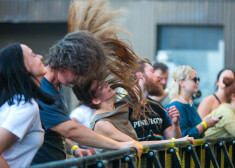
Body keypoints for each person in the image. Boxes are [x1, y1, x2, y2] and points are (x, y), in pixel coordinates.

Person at [32, 31, 143, 165]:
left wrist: (74, 149)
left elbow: (52, 130)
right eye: (79, 72)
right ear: (65, 63)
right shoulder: (42, 90)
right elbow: (70, 130)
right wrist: (118, 145)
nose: (80, 79)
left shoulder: (56, 87)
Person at [72, 80, 194, 154]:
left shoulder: (119, 108)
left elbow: (140, 96)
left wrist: (175, 124)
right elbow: (135, 143)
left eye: (103, 83)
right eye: (100, 87)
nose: (106, 84)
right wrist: (176, 142)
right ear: (95, 100)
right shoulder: (101, 123)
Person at [0, 43, 54, 167]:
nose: (40, 57)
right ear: (23, 68)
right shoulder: (25, 106)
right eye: (33, 55)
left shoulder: (16, 101)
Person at [128, 59, 181, 141]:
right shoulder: (124, 107)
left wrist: (175, 124)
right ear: (140, 74)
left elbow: (173, 139)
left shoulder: (157, 106)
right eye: (152, 71)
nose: (158, 76)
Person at [165, 65, 220, 139]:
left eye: (198, 79)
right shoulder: (176, 106)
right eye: (194, 79)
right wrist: (204, 124)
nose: (197, 82)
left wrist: (206, 124)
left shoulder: (188, 103)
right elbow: (183, 136)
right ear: (181, 83)